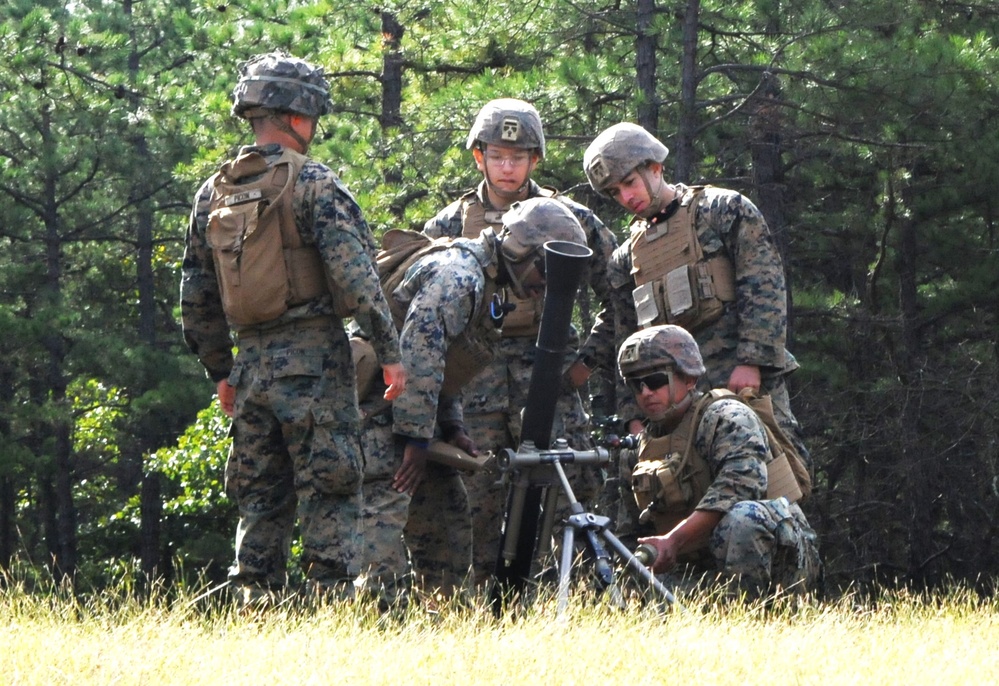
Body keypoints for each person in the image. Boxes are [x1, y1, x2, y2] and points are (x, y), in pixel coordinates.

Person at [180, 51, 405, 607]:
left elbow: (195, 296)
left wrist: (220, 370)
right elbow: (356, 279)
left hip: (250, 368)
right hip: (316, 366)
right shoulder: (315, 184)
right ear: (301, 117)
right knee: (331, 493)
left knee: (260, 501)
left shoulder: (215, 193)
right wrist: (389, 350)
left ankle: (254, 606)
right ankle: (330, 610)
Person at [421, 98, 619, 586]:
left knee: (569, 495)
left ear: (536, 160)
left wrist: (585, 365)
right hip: (474, 389)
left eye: (518, 156)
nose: (506, 167)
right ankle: (484, 617)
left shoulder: (572, 219)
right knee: (476, 503)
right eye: (497, 156)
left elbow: (620, 293)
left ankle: (575, 605)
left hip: (550, 379)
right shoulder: (448, 224)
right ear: (478, 157)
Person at [357, 196, 589, 607]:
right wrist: (415, 440)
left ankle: (446, 627)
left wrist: (453, 428)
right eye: (544, 271)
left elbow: (451, 363)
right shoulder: (460, 276)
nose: (544, 286)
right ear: (520, 251)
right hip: (380, 413)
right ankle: (374, 624)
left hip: (415, 417)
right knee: (382, 523)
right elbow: (418, 352)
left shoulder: (488, 284)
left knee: (448, 523)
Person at [583, 123, 808, 464]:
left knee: (775, 478)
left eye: (629, 183)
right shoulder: (625, 259)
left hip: (739, 380)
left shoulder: (722, 210)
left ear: (655, 168)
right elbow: (626, 339)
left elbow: (763, 282)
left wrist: (752, 361)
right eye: (615, 192)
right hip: (672, 403)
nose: (626, 197)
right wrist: (633, 411)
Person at [616, 325, 820, 596]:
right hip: (696, 568)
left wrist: (673, 541)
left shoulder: (725, 417)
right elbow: (629, 531)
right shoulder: (639, 448)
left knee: (744, 518)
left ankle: (752, 613)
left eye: (655, 381)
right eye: (636, 385)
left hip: (780, 563)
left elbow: (740, 488)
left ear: (689, 379)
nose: (645, 393)